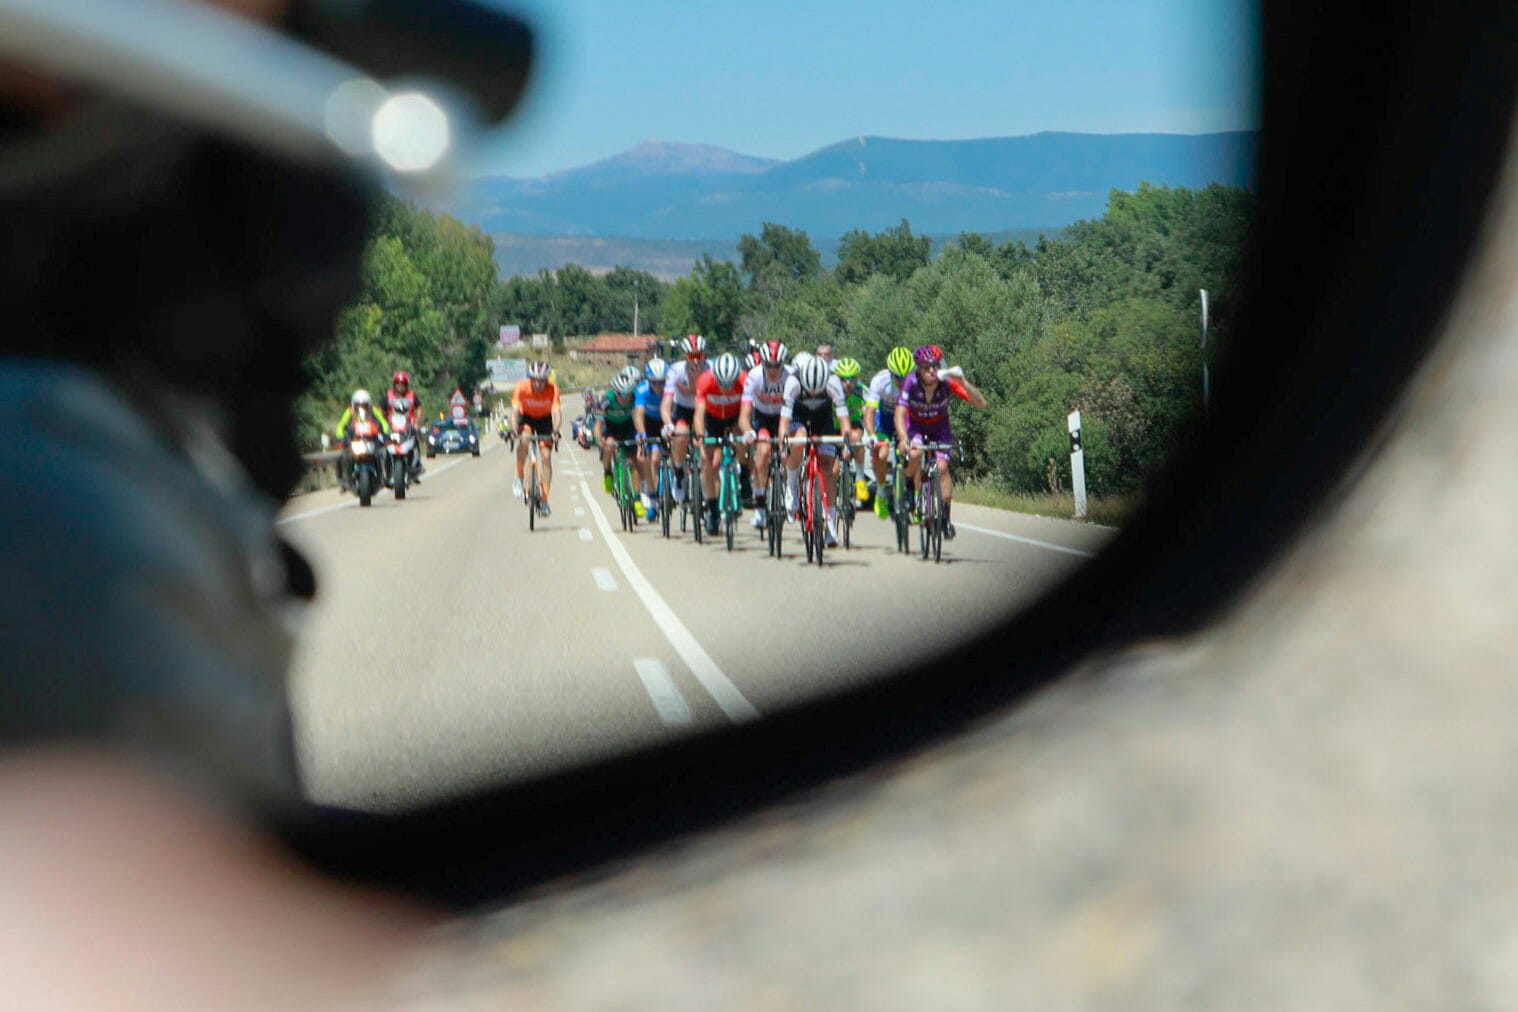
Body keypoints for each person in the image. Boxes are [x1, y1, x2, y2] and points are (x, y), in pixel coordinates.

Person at [893, 344, 987, 540]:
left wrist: (963, 381)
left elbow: (980, 403)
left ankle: (945, 518)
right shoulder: (911, 382)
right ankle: (910, 487)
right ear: (918, 368)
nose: (931, 371)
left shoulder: (947, 383)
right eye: (926, 367)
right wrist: (903, 438)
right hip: (916, 427)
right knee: (915, 454)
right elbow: (900, 413)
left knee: (942, 469)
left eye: (935, 366)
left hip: (941, 429)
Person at [781, 354, 852, 548]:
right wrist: (783, 444)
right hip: (798, 415)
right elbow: (784, 422)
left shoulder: (833, 381)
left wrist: (846, 444)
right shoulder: (793, 382)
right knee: (799, 438)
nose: (812, 394)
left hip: (823, 418)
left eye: (817, 390)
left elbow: (844, 420)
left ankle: (830, 524)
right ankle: (793, 484)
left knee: (828, 464)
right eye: (809, 391)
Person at [738, 340, 792, 529]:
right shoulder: (754, 377)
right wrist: (748, 431)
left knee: (788, 454)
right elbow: (744, 415)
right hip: (762, 418)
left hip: (785, 417)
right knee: (762, 451)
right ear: (762, 363)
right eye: (768, 365)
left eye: (777, 366)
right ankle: (760, 505)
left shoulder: (790, 376)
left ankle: (789, 488)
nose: (773, 370)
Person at [694, 352, 746, 536]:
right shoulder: (705, 381)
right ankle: (713, 511)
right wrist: (700, 436)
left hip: (734, 417)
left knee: (741, 436)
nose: (725, 388)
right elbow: (699, 413)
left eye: (729, 384)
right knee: (710, 463)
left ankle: (745, 474)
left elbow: (748, 410)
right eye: (722, 384)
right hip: (712, 419)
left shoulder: (743, 380)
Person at [863, 346, 914, 518]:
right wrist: (871, 435)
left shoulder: (916, 382)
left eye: (905, 377)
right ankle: (881, 491)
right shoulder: (880, 380)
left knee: (912, 450)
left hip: (905, 418)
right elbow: (869, 412)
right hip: (884, 419)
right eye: (898, 377)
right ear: (891, 373)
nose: (901, 381)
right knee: (882, 453)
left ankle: (910, 488)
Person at [661, 334, 708, 510]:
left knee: (706, 450)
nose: (696, 361)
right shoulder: (676, 371)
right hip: (681, 409)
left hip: (702, 410)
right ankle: (679, 472)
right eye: (691, 356)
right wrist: (668, 423)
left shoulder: (709, 371)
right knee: (680, 434)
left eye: (699, 356)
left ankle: (706, 489)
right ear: (685, 356)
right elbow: (666, 403)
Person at [510, 361, 562, 517]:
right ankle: (519, 476)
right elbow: (514, 412)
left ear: (547, 380)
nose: (538, 384)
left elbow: (557, 413)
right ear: (530, 378)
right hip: (527, 419)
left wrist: (555, 431)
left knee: (546, 457)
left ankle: (545, 500)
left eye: (542, 381)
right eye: (534, 380)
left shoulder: (553, 390)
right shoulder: (521, 387)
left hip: (545, 420)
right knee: (524, 439)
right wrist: (513, 430)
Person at [595, 367, 642, 503]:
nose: (626, 398)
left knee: (634, 462)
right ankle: (607, 472)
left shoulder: (634, 397)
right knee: (608, 446)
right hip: (611, 428)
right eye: (623, 395)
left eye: (628, 394)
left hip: (628, 427)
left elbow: (640, 416)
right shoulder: (607, 400)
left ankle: (637, 498)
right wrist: (599, 438)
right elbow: (598, 423)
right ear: (616, 393)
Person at [333, 389, 390, 493]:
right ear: (354, 405)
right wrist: (340, 436)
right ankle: (344, 480)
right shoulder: (349, 411)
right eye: (358, 405)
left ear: (369, 404)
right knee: (343, 456)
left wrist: (385, 432)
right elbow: (341, 425)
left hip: (372, 440)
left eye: (364, 405)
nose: (361, 407)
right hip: (354, 440)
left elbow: (383, 422)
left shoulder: (374, 410)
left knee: (385, 452)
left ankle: (387, 477)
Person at [633, 357, 669, 520]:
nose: (658, 386)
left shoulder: (670, 389)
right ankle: (653, 499)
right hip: (648, 424)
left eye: (662, 382)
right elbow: (639, 414)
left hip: (665, 421)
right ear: (648, 381)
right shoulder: (642, 390)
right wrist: (641, 433)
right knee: (652, 459)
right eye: (654, 382)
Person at [832, 356, 871, 504]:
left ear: (857, 378)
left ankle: (860, 479)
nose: (848, 384)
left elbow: (870, 412)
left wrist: (872, 434)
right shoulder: (831, 391)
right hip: (833, 427)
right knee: (834, 470)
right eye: (843, 379)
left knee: (857, 440)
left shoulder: (862, 391)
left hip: (853, 423)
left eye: (851, 379)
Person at [379, 371, 424, 483]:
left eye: (403, 384)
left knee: (416, 441)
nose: (400, 387)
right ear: (394, 384)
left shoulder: (412, 395)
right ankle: (384, 469)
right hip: (391, 427)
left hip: (408, 425)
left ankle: (416, 465)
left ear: (406, 385)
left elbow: (419, 408)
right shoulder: (388, 395)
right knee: (382, 443)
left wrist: (417, 421)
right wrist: (382, 422)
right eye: (398, 384)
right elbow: (380, 410)